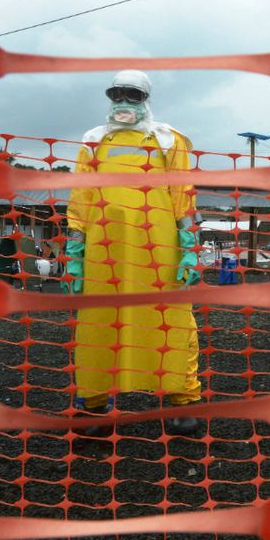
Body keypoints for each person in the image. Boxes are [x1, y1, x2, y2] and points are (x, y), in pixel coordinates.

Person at [67, 70, 204, 436]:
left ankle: (182, 398)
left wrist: (189, 246)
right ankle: (94, 404)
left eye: (132, 95)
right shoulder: (92, 142)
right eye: (117, 94)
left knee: (170, 318)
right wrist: (75, 248)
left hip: (158, 249)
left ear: (145, 98)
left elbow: (182, 194)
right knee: (98, 322)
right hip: (104, 248)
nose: (124, 102)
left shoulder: (168, 140)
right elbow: (80, 195)